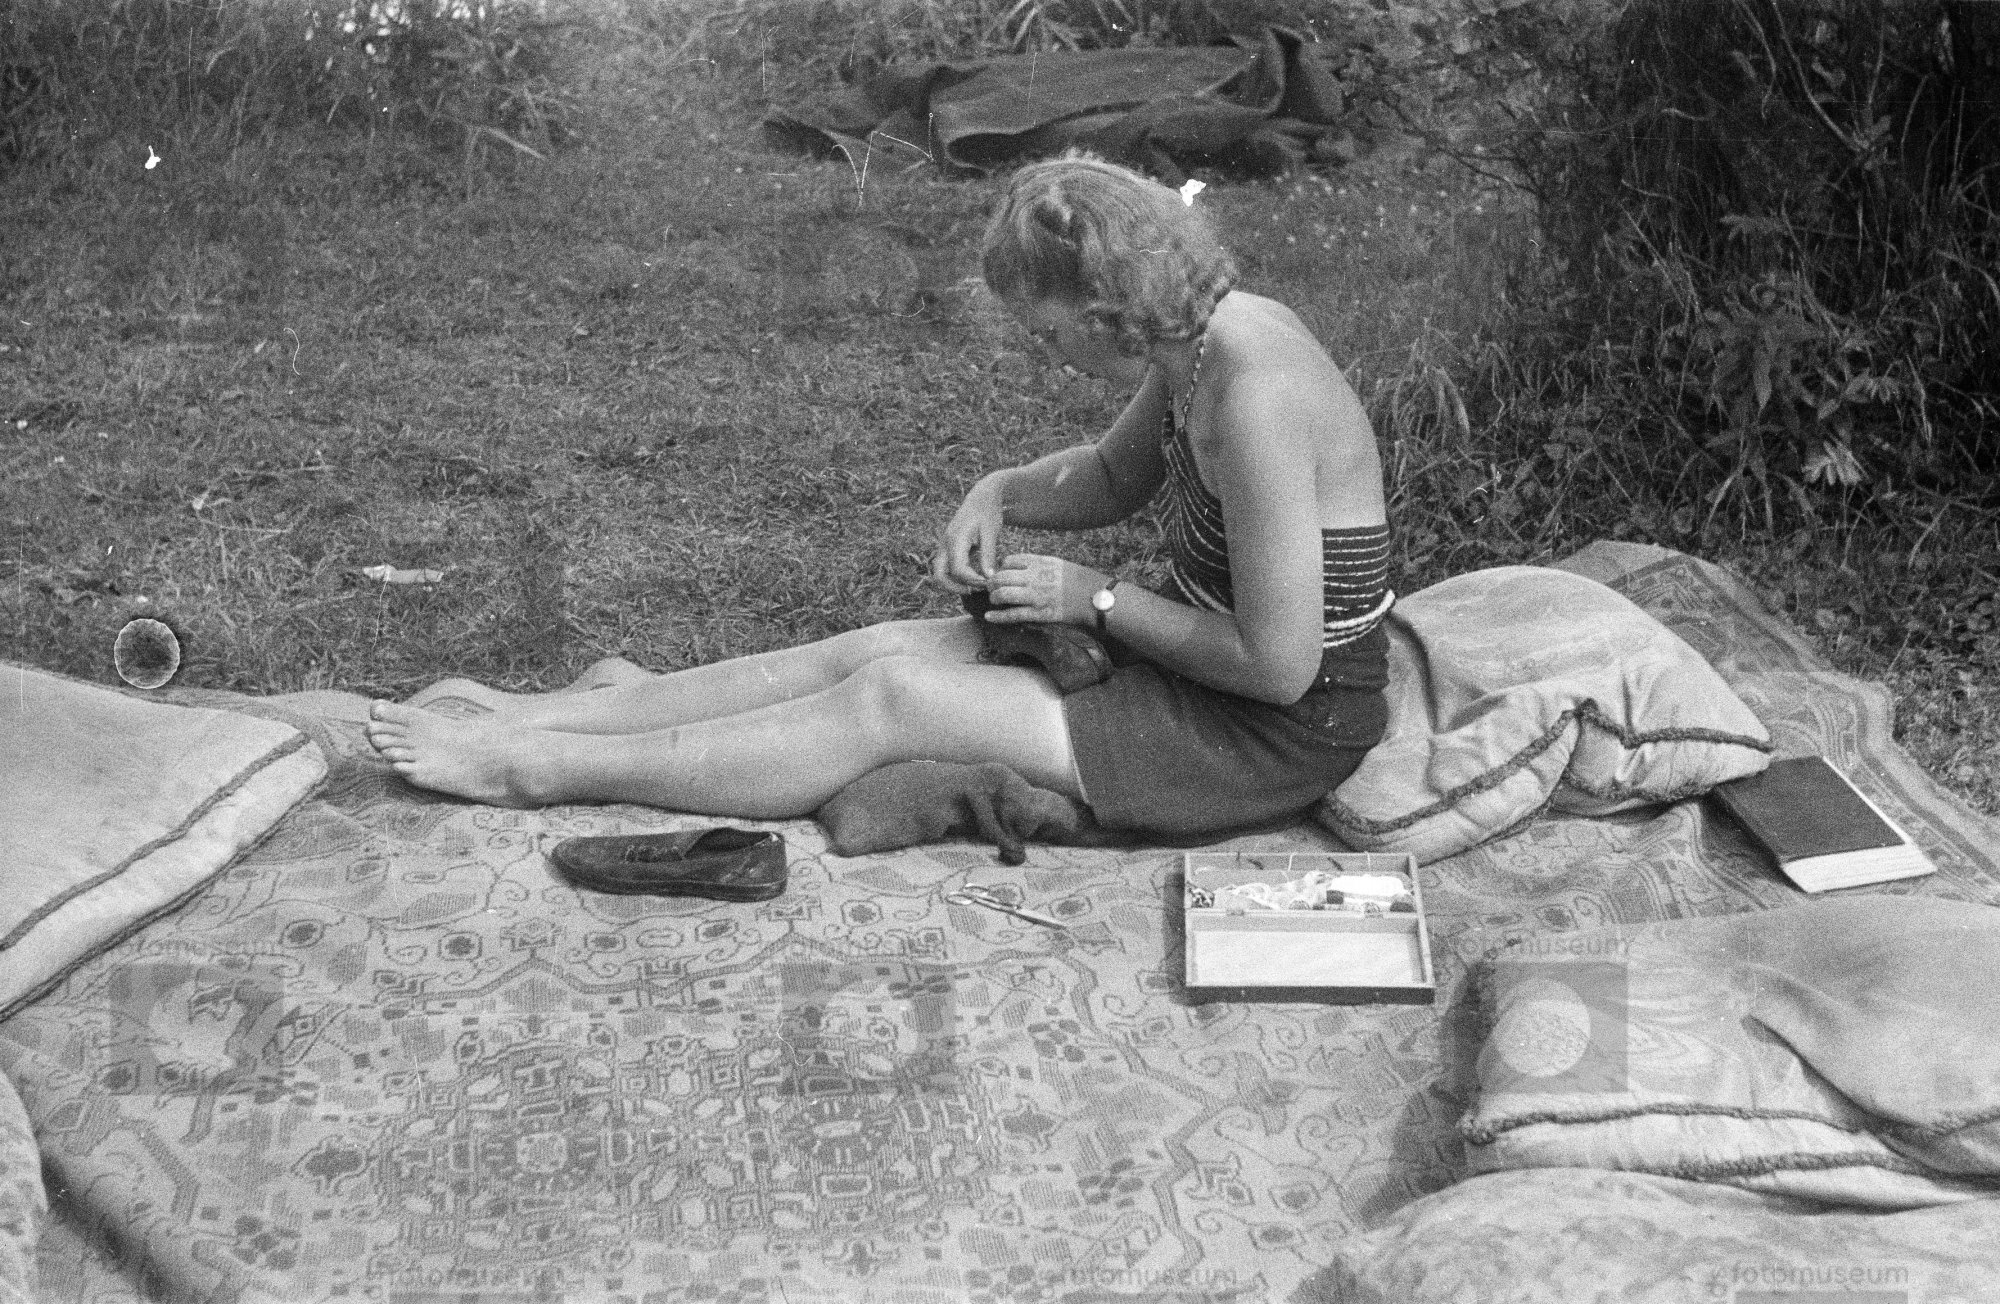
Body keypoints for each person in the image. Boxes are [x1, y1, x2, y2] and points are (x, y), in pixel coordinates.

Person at [364, 152, 1393, 838]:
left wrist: (1099, 600)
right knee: (872, 649)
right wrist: (999, 491)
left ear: (1107, 310)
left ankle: (536, 767)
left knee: (890, 701)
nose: (1050, 356)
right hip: (1208, 672)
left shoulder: (1254, 396)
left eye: (1047, 333)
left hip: (1272, 731)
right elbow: (1119, 474)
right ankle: (552, 715)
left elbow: (1279, 668)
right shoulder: (1194, 341)